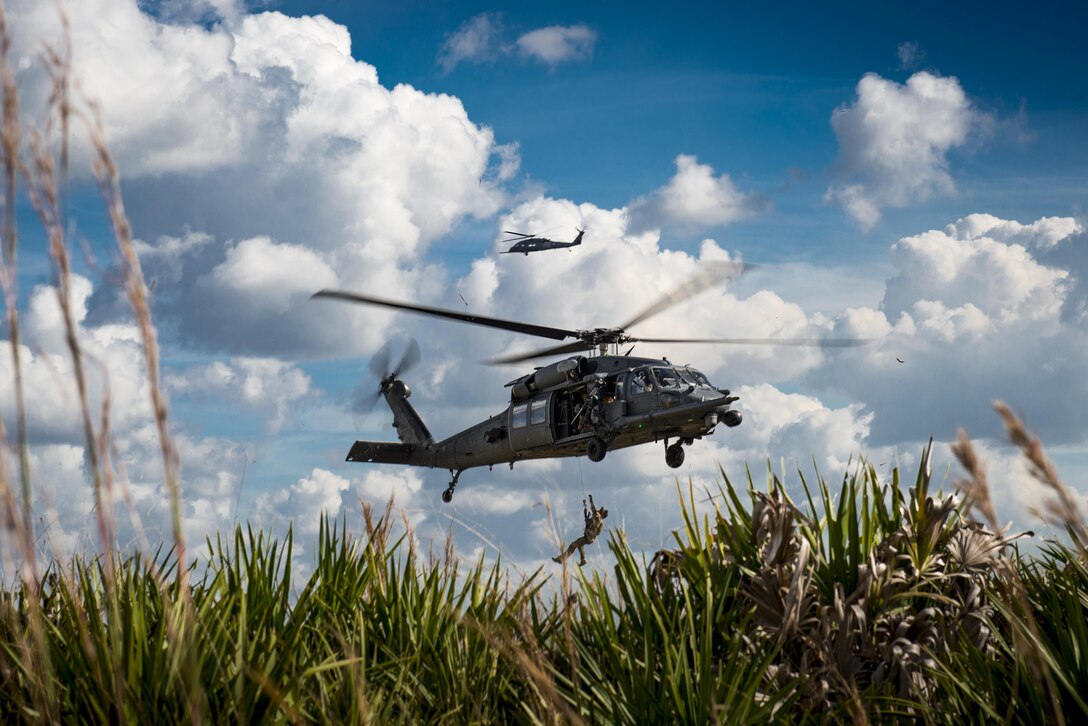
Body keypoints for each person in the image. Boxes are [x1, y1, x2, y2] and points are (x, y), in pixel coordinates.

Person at [553, 494, 609, 566]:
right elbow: (592, 513)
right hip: (588, 537)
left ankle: (577, 559)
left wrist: (591, 500)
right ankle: (568, 559)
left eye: (601, 510)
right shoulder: (598, 519)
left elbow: (597, 533)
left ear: (602, 514)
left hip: (589, 538)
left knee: (575, 545)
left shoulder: (598, 519)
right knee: (575, 545)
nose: (599, 509)